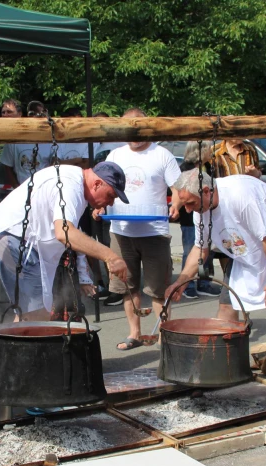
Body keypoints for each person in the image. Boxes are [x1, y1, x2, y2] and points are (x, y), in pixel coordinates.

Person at [166, 169, 266, 387]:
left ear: (206, 191)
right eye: (184, 204)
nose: (187, 210)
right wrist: (181, 281)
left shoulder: (242, 197)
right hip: (243, 246)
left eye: (190, 203)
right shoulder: (200, 210)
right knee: (226, 305)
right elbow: (200, 248)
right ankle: (224, 370)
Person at [0, 162, 129, 321]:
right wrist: (111, 256)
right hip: (14, 243)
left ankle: (17, 344)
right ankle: (25, 344)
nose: (111, 203)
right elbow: (65, 232)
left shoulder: (74, 181)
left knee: (28, 314)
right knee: (37, 316)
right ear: (96, 184)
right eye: (111, 196)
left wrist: (84, 276)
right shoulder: (70, 185)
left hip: (19, 244)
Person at [103, 108, 182, 349]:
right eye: (130, 130)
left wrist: (177, 203)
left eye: (139, 128)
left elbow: (177, 187)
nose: (135, 135)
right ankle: (134, 334)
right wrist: (99, 208)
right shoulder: (115, 155)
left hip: (154, 230)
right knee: (128, 286)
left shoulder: (162, 154)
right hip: (121, 230)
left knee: (158, 289)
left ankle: (165, 337)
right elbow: (104, 186)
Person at [178, 141, 221, 299]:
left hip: (206, 213)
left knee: (207, 252)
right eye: (208, 149)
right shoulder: (185, 169)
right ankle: (188, 285)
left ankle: (204, 282)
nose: (211, 151)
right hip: (190, 220)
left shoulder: (209, 167)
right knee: (191, 250)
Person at [0, 101, 58, 186]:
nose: (38, 117)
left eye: (41, 114)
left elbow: (54, 163)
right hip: (21, 187)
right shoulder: (15, 139)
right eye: (33, 114)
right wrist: (17, 189)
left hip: (44, 187)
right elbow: (8, 167)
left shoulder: (50, 138)